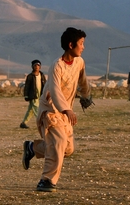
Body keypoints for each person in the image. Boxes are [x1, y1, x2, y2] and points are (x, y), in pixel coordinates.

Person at [21, 27, 94, 192]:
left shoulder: (80, 62)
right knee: (59, 143)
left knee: (67, 149)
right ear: (70, 45)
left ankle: (32, 148)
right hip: (51, 110)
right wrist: (66, 109)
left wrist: (86, 95)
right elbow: (54, 90)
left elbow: (83, 81)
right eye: (81, 43)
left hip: (65, 112)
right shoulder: (57, 66)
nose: (83, 47)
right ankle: (46, 181)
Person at [20, 59, 47, 129]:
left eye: (38, 65)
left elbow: (45, 85)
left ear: (40, 67)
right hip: (33, 96)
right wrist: (26, 95)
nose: (36, 67)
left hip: (40, 96)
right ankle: (42, 123)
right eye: (35, 65)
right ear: (32, 67)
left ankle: (24, 123)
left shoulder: (42, 75)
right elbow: (27, 86)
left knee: (30, 110)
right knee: (37, 110)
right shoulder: (30, 76)